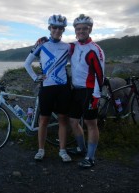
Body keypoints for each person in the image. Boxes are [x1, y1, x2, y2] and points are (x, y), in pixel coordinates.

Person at [35, 14, 105, 168]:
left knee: (91, 123)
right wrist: (43, 40)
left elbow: (100, 75)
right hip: (75, 90)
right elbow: (55, 47)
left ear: (90, 29)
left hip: (90, 91)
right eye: (78, 29)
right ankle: (81, 148)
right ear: (74, 30)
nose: (81, 31)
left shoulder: (95, 50)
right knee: (73, 121)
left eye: (84, 29)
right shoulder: (72, 47)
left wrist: (96, 96)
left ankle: (90, 157)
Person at [24, 14, 72, 162]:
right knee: (43, 120)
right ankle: (41, 150)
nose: (57, 30)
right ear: (49, 28)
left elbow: (76, 64)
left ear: (63, 30)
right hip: (47, 88)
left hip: (63, 88)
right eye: (54, 27)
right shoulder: (41, 45)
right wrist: (35, 77)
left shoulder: (68, 47)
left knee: (63, 119)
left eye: (60, 28)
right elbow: (27, 63)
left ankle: (62, 151)